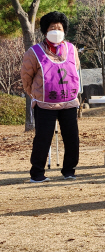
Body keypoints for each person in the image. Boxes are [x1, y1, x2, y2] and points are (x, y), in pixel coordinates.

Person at [21, 11, 80, 182]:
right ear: (45, 31)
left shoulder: (71, 49)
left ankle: (69, 170)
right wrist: (35, 94)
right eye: (52, 28)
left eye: (59, 28)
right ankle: (37, 173)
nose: (56, 31)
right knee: (42, 138)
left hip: (68, 102)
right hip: (45, 104)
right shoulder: (34, 52)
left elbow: (75, 70)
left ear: (65, 30)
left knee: (72, 138)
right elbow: (26, 77)